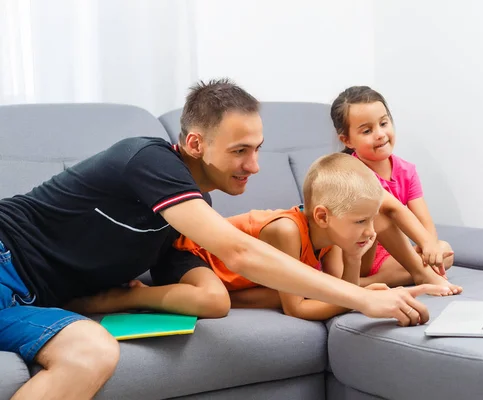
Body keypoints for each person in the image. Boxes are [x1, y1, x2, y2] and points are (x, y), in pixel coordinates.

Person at [0, 79, 433, 400]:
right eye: (240, 150)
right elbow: (239, 251)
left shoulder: (188, 209)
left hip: (33, 301)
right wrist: (361, 299)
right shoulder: (147, 159)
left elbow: (205, 280)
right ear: (194, 143)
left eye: (259, 148)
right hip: (5, 256)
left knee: (93, 352)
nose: (256, 165)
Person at [165, 153, 451, 321]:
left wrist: (354, 258)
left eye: (370, 220)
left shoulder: (333, 239)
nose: (369, 231)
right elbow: (297, 309)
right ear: (323, 217)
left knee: (298, 289)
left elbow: (340, 288)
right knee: (217, 302)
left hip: (241, 277)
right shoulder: (287, 231)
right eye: (361, 221)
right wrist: (362, 298)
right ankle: (133, 296)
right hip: (188, 256)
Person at [330, 85, 462, 292]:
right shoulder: (351, 171)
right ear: (347, 140)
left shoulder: (406, 170)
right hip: (358, 255)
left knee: (445, 252)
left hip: (391, 255)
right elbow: (392, 209)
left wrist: (430, 246)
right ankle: (419, 274)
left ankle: (367, 284)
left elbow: (425, 224)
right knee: (376, 211)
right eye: (367, 131)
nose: (380, 134)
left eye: (384, 123)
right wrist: (424, 251)